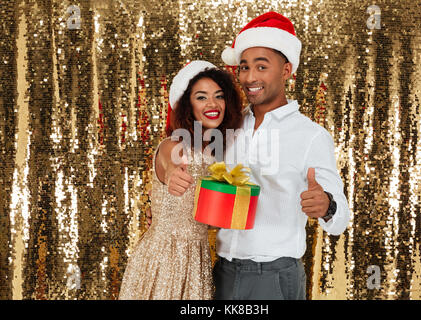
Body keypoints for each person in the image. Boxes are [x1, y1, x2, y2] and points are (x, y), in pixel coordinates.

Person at [210, 11, 351, 300]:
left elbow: (341, 220)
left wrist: (327, 205)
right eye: (245, 67)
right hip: (222, 273)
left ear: (286, 70)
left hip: (273, 279)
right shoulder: (229, 127)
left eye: (262, 67)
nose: (250, 78)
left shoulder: (311, 136)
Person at [119, 61, 243, 300]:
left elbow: (207, 217)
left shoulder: (216, 154)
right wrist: (173, 173)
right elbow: (169, 162)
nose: (212, 104)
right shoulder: (174, 144)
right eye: (201, 97)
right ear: (187, 105)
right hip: (165, 259)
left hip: (197, 259)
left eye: (219, 96)